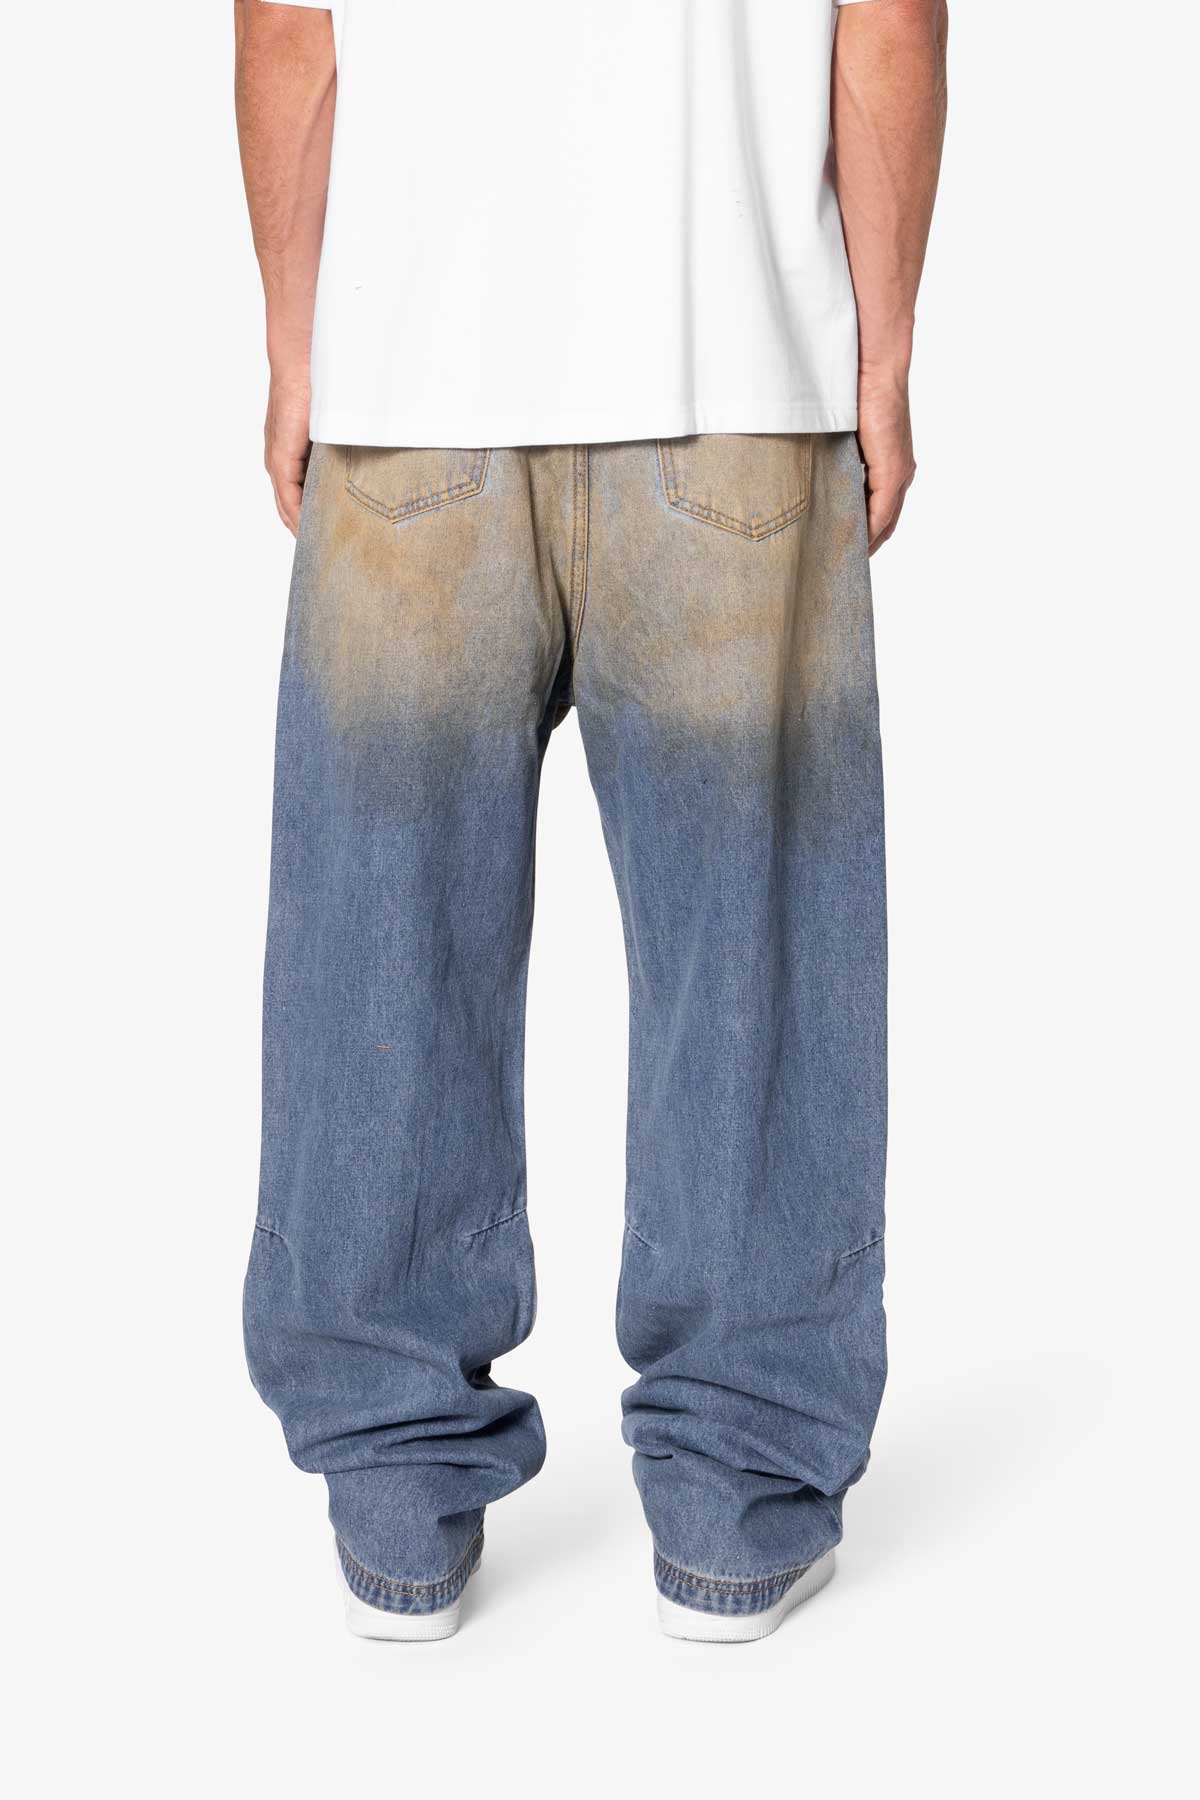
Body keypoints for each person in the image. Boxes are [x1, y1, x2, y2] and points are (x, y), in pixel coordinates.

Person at [236, 0, 947, 1644]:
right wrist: (884, 355)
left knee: (380, 953)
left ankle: (395, 1503)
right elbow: (889, 24)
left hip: (412, 377)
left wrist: (296, 341)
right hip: (736, 376)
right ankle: (740, 1505)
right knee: (752, 959)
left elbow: (288, 27)